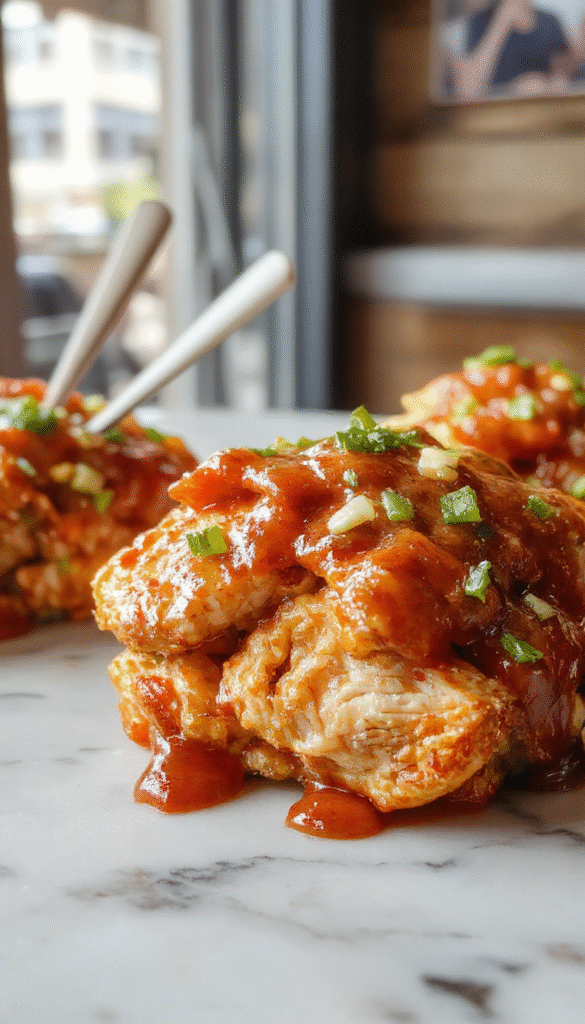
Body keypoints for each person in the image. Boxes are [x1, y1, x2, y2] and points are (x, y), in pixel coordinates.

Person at [443, 1, 578, 101]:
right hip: (500, 116)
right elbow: (468, 91)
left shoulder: (550, 21)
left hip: (543, 114)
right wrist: (502, 20)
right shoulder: (478, 22)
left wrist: (547, 87)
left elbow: (565, 77)